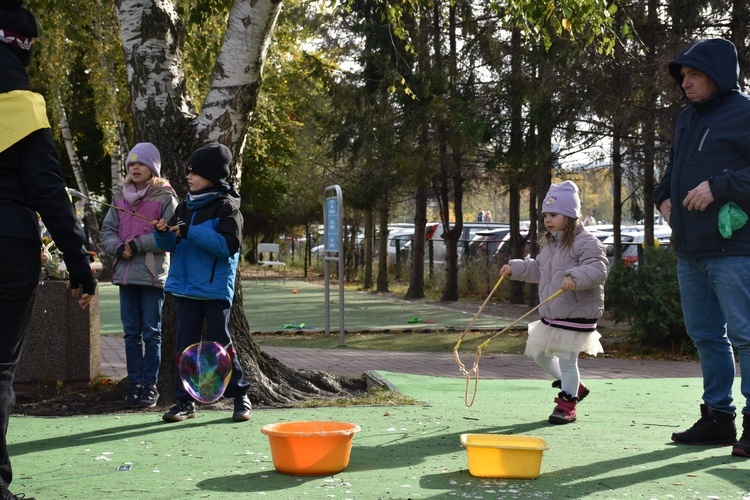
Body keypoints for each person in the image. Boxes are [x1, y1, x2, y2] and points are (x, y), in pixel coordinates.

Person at [0, 0, 96, 498]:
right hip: (8, 242)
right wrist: (78, 264)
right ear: (25, 46)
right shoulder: (22, 101)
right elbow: (47, 190)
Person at [653, 38, 750, 457]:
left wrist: (718, 186)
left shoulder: (745, 112)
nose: (685, 84)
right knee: (706, 336)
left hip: (735, 250)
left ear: (717, 76)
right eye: (682, 77)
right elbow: (672, 170)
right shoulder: (685, 119)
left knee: (746, 337)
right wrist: (662, 197)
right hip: (690, 250)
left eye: (693, 75)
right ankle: (717, 419)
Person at [153, 143, 252, 423]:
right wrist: (161, 232)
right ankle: (184, 402)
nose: (189, 177)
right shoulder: (184, 206)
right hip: (186, 289)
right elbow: (172, 241)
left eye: (195, 173)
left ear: (212, 175)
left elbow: (227, 246)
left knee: (222, 343)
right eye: (188, 173)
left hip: (214, 289)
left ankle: (240, 396)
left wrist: (190, 232)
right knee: (184, 346)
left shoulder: (227, 206)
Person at [500, 181, 608, 425]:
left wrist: (575, 277)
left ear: (570, 215)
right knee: (539, 354)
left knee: (569, 361)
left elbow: (599, 268)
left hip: (576, 313)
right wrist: (515, 268)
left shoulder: (586, 241)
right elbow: (539, 269)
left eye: (554, 215)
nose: (548, 220)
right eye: (546, 215)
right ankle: (576, 387)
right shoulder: (550, 243)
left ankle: (568, 402)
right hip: (554, 312)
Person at [101, 142, 177, 408]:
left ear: (153, 168)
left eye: (141, 163)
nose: (135, 167)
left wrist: (138, 244)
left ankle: (150, 386)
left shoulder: (165, 197)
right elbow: (108, 231)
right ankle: (134, 384)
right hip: (125, 274)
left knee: (151, 332)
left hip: (151, 275)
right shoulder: (120, 197)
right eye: (131, 163)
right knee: (131, 332)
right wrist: (118, 247)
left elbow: (170, 236)